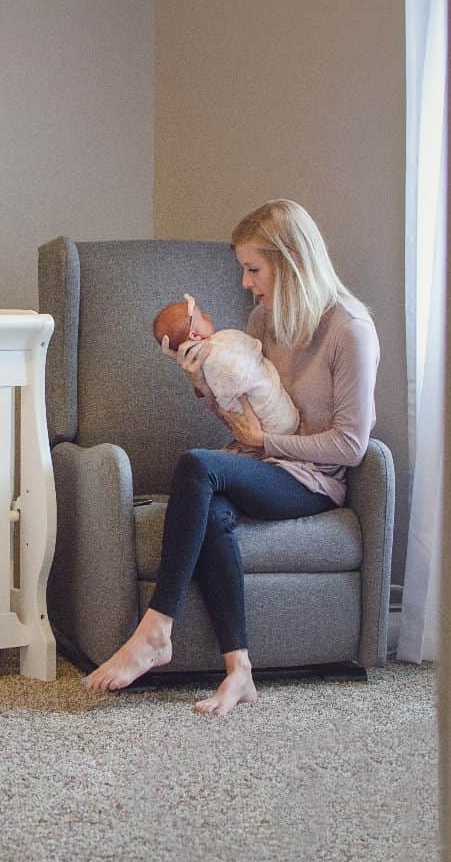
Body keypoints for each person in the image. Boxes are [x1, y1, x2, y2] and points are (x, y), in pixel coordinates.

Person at [84, 199, 380, 715]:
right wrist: (201, 378)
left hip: (312, 480)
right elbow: (243, 407)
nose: (245, 282)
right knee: (213, 511)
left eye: (252, 268)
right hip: (262, 464)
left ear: (290, 263)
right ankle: (238, 671)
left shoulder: (349, 330)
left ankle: (156, 629)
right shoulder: (264, 318)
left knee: (199, 465)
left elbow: (352, 446)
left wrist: (267, 445)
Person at [155, 293, 300, 437]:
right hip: (274, 426)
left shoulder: (221, 347)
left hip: (277, 431)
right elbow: (230, 412)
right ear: (194, 336)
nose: (208, 317)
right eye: (203, 317)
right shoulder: (216, 354)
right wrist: (199, 384)